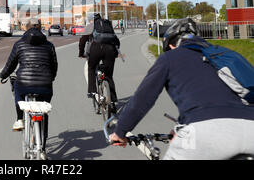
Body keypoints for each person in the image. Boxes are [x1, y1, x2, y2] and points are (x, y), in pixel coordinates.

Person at [109, 18, 254, 159]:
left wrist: (120, 132)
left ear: (171, 45)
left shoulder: (169, 58)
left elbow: (142, 99)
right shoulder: (224, 55)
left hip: (205, 131)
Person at [0, 18, 58, 153]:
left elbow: (11, 63)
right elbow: (54, 65)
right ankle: (42, 147)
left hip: (24, 83)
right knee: (43, 112)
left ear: (26, 28)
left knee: (17, 90)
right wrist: (50, 78)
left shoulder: (19, 44)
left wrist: (3, 75)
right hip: (45, 85)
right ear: (40, 28)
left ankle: (20, 119)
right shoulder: (49, 45)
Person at [79, 13, 120, 106]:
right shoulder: (107, 25)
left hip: (95, 49)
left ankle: (92, 91)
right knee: (109, 75)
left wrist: (81, 54)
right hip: (110, 50)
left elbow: (82, 41)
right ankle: (113, 100)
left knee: (91, 68)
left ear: (90, 20)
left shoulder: (90, 26)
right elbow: (116, 40)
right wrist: (116, 52)